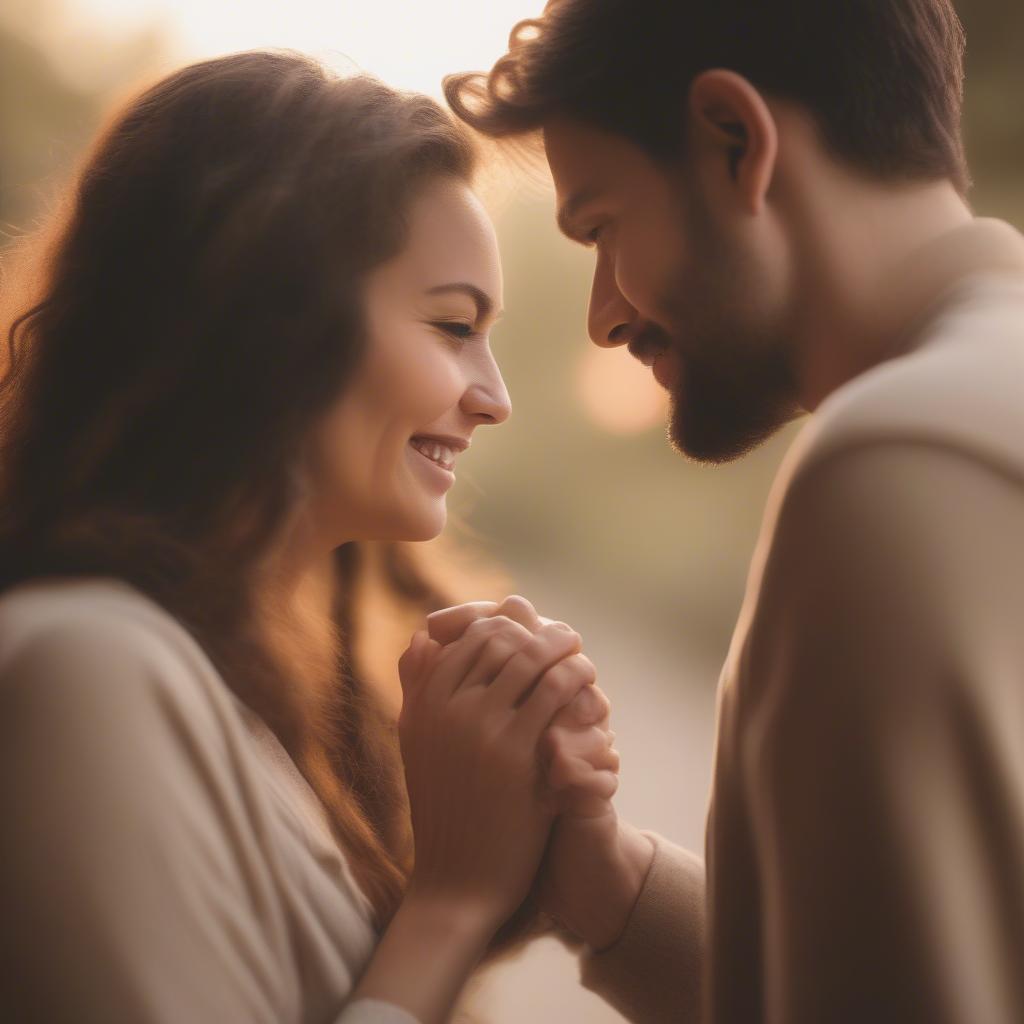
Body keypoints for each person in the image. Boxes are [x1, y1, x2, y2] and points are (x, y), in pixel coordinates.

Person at [427, 0, 1024, 1020]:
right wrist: (609, 890)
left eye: (603, 226)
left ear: (736, 141)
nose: (605, 313)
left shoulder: (898, 465)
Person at [0, 50, 619, 1024]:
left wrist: (535, 852)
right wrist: (451, 902)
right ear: (272, 315)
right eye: (453, 325)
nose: (493, 397)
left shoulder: (250, 705)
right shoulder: (83, 664)